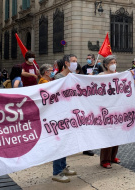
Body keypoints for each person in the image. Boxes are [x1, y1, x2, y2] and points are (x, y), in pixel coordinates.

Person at [52, 54, 77, 182]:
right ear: (66, 63)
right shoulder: (58, 77)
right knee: (60, 143)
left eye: (76, 61)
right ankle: (56, 172)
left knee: (66, 142)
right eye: (73, 61)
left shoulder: (72, 76)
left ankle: (63, 166)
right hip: (60, 115)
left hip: (69, 114)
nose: (75, 63)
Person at [99, 55, 121, 169]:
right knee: (107, 135)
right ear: (106, 65)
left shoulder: (118, 75)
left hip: (116, 108)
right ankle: (105, 159)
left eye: (115, 62)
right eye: (111, 62)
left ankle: (113, 156)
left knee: (116, 133)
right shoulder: (101, 76)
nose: (114, 64)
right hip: (105, 109)